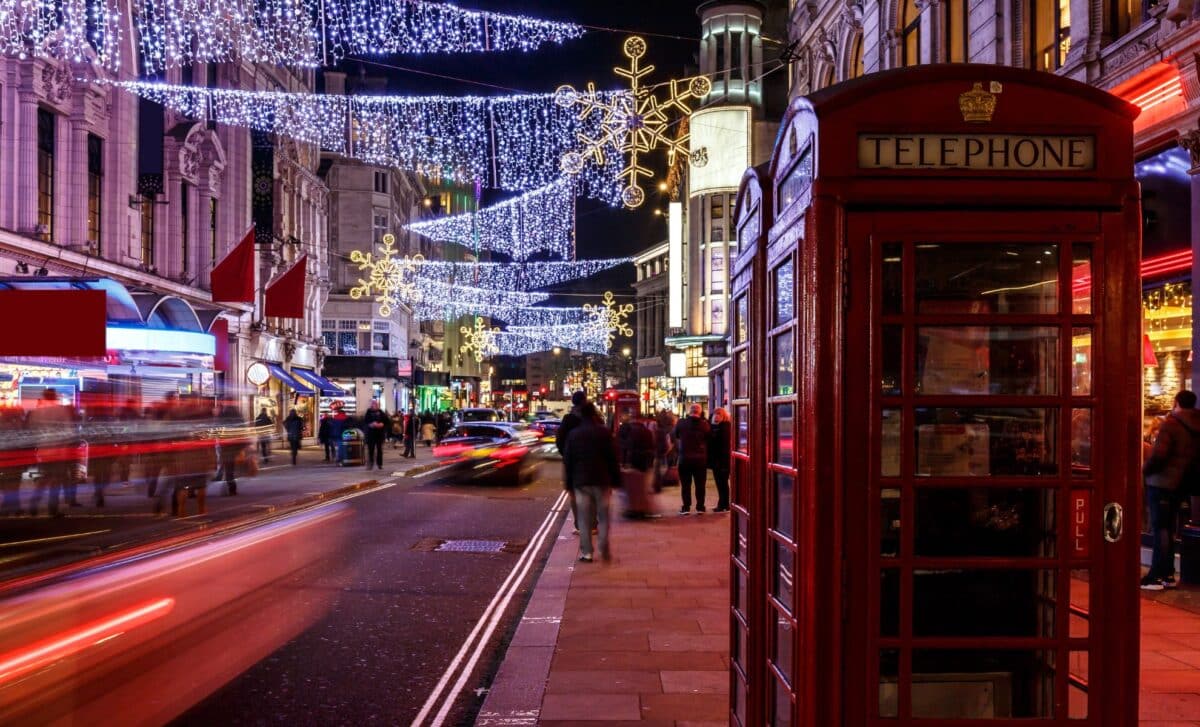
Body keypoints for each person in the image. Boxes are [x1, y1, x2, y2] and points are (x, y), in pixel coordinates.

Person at [1142, 390, 1200, 590]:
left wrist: (1145, 470)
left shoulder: (1171, 424)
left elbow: (1159, 455)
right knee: (1170, 527)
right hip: (1182, 484)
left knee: (1160, 528)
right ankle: (1168, 575)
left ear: (1176, 402)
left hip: (1161, 483)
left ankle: (1157, 576)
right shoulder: (1196, 425)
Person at [565, 402, 621, 563]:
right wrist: (616, 479)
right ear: (594, 414)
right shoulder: (604, 432)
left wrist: (569, 484)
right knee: (603, 515)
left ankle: (587, 552)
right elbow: (613, 457)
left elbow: (569, 461)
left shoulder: (574, 434)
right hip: (602, 480)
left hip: (581, 481)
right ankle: (603, 545)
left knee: (583, 517)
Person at [27, 388, 79, 517]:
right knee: (56, 480)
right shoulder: (61, 410)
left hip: (44, 449)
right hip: (58, 449)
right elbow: (68, 430)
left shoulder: (37, 412)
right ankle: (53, 508)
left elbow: (32, 429)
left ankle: (34, 504)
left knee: (44, 479)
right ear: (55, 396)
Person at [556, 391, 590, 532]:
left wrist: (566, 455)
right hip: (589, 462)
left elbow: (559, 441)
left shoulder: (568, 419)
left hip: (572, 463)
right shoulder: (591, 418)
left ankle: (579, 525)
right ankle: (591, 523)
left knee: (575, 495)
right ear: (585, 401)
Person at [673, 403, 712, 515]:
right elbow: (709, 438)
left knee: (686, 485)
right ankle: (700, 507)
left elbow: (676, 435)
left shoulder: (681, 423)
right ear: (700, 412)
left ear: (689, 411)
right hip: (700, 460)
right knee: (700, 484)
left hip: (684, 458)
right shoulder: (705, 425)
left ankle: (686, 507)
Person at [621, 414, 657, 520]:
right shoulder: (647, 431)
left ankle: (633, 509)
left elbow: (627, 446)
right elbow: (652, 446)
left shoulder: (630, 431)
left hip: (634, 461)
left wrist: (625, 462)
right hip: (646, 462)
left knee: (632, 488)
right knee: (643, 488)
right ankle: (643, 509)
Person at [709, 408, 733, 513]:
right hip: (717, 460)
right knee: (721, 483)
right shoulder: (716, 427)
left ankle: (723, 504)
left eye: (719, 414)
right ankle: (724, 504)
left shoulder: (725, 427)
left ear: (724, 416)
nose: (716, 416)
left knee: (722, 483)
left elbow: (722, 446)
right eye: (715, 414)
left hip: (722, 461)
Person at [362, 399, 389, 470]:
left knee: (379, 450)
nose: (375, 405)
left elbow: (386, 421)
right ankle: (370, 464)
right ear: (371, 405)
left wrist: (382, 424)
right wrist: (371, 424)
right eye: (374, 404)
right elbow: (365, 421)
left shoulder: (381, 412)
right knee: (371, 450)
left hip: (379, 434)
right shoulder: (368, 412)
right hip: (371, 434)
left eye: (376, 404)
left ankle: (379, 464)